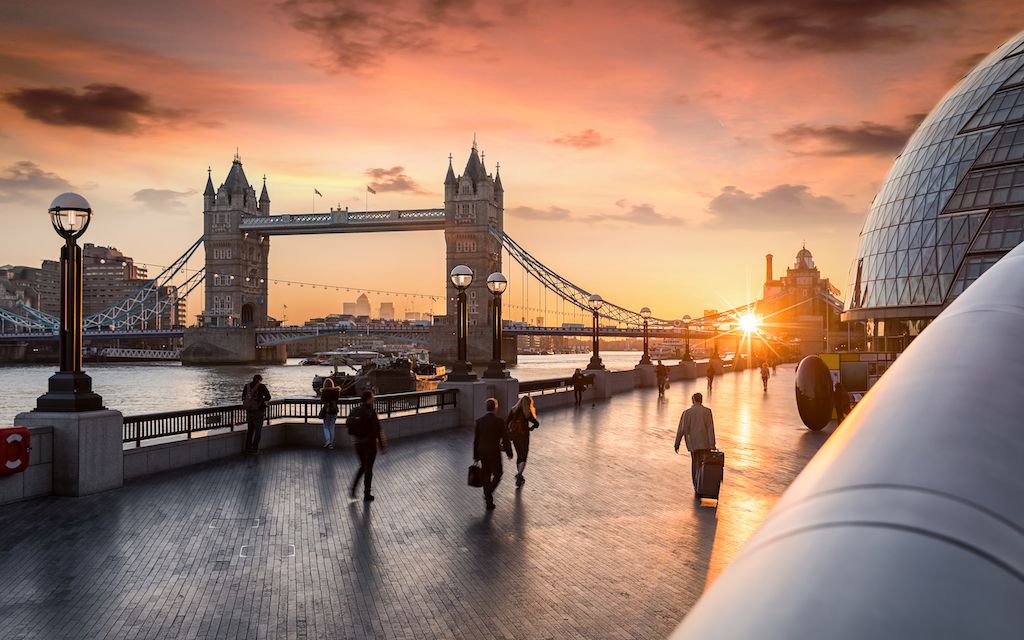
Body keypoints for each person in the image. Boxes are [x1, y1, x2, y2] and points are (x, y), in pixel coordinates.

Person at [473, 397, 513, 509]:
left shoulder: (479, 421)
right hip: (494, 451)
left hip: (482, 451)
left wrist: (475, 456)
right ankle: (488, 492)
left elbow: (476, 440)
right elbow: (505, 438)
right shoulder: (499, 422)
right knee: (498, 473)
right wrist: (509, 452)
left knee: (486, 474)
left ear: (486, 408)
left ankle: (489, 502)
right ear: (495, 408)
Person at [349, 390, 387, 501]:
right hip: (369, 444)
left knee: (362, 466)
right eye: (372, 397)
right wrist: (382, 445)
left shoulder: (357, 410)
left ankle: (353, 488)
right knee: (368, 469)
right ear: (368, 399)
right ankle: (367, 494)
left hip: (358, 443)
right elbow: (377, 429)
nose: (374, 399)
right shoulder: (371, 412)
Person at [674, 392, 716, 494]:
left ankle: (696, 485)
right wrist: (712, 444)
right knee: (703, 464)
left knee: (695, 463)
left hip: (693, 444)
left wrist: (677, 443)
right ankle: (702, 484)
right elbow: (710, 429)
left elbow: (682, 429)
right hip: (705, 444)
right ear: (701, 400)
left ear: (693, 400)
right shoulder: (707, 412)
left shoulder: (687, 413)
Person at [506, 396, 540, 487]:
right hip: (524, 436)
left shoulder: (513, 410)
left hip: (515, 436)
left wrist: (508, 433)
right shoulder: (527, 413)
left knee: (519, 455)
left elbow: (506, 423)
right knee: (523, 456)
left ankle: (519, 476)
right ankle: (519, 474)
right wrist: (531, 428)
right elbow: (537, 424)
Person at [241, 374, 271, 454]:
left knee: (250, 430)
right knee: (258, 431)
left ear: (253, 379)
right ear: (260, 380)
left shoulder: (247, 386)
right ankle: (254, 449)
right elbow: (268, 397)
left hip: (249, 411)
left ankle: (247, 448)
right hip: (258, 411)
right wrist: (261, 400)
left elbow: (243, 397)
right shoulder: (262, 386)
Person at [320, 378, 341, 449]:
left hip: (327, 410)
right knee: (332, 426)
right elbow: (337, 399)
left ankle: (328, 441)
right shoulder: (336, 391)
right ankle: (330, 444)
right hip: (334, 410)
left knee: (326, 427)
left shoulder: (324, 391)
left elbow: (322, 400)